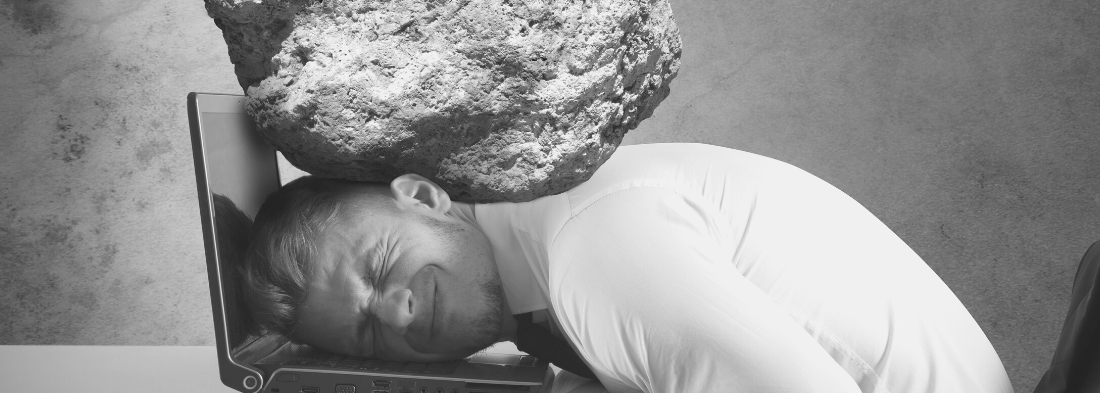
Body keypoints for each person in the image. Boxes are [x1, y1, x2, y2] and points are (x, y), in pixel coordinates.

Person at [239, 143, 1015, 393]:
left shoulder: (591, 254)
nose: (401, 312)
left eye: (381, 268)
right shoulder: (549, 242)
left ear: (425, 196)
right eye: (370, 334)